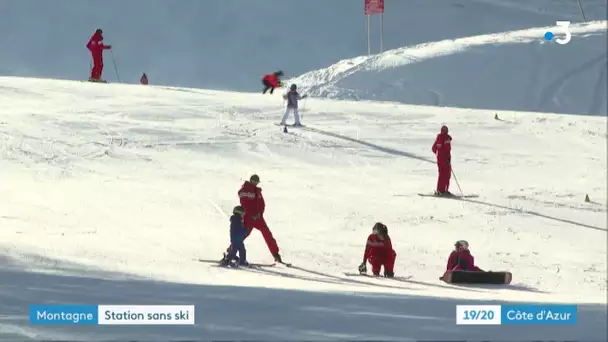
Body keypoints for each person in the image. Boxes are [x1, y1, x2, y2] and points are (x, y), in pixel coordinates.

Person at [225, 174, 283, 263]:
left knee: (267, 233)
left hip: (258, 217)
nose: (255, 183)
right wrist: (249, 214)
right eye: (254, 181)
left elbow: (262, 204)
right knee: (243, 234)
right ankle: (231, 251)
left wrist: (259, 213)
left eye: (257, 181)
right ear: (251, 180)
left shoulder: (258, 191)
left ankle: (275, 254)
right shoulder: (245, 189)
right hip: (249, 217)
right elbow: (244, 203)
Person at [431, 125, 452, 196]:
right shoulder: (446, 138)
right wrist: (446, 158)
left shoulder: (439, 138)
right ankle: (443, 190)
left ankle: (440, 190)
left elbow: (434, 148)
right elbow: (447, 149)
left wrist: (438, 154)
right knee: (446, 175)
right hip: (445, 160)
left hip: (440, 160)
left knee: (442, 175)